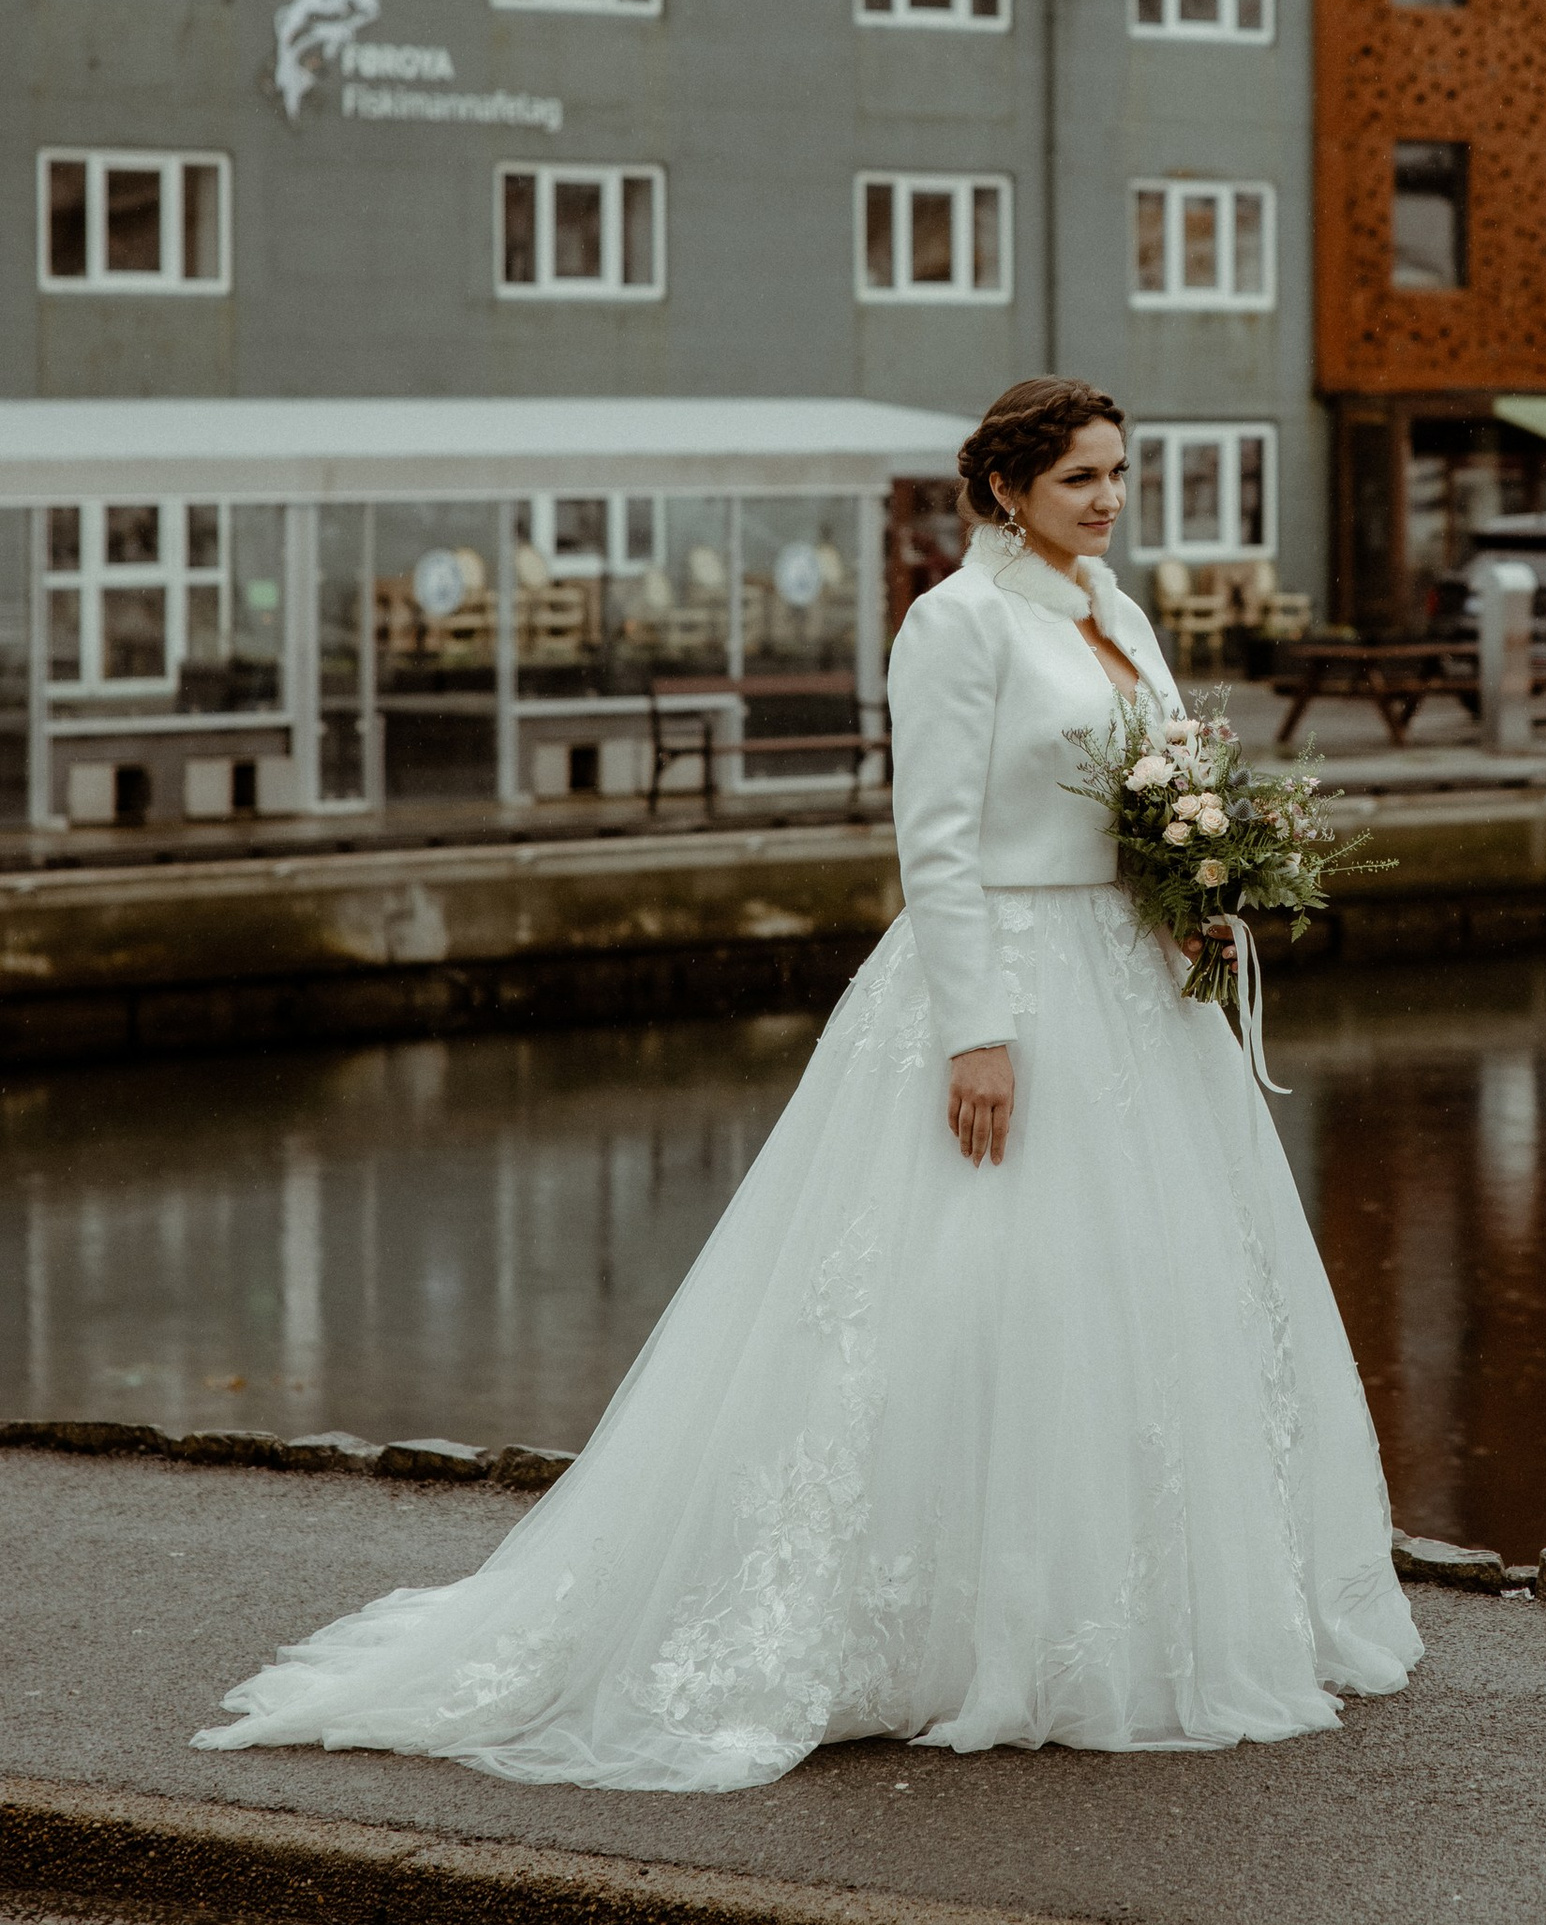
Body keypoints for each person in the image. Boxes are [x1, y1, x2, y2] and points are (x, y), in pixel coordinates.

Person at [194, 379, 1420, 1786]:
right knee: (976, 1292)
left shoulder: (1118, 611)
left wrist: (1190, 894)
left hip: (1133, 992)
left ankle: (1154, 1605)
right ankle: (951, 1617)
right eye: (1084, 477)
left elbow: (1150, 787)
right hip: (1010, 978)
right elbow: (939, 835)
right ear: (1008, 487)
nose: (1110, 498)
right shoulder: (956, 623)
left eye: (1121, 474)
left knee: (1148, 1299)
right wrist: (978, 1029)